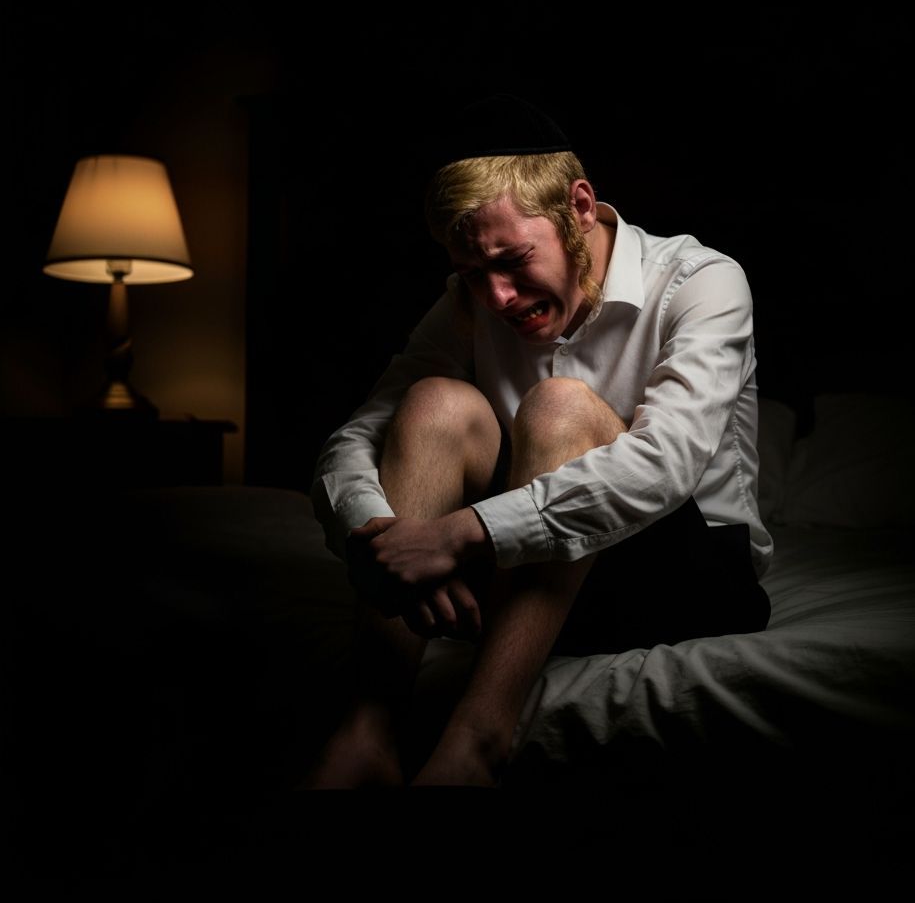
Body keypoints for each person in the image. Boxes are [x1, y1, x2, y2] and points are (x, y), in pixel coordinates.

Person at [306, 93, 772, 788]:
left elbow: (667, 463)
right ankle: (367, 731)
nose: (496, 297)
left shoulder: (701, 281)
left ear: (579, 206)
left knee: (559, 406)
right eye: (473, 272)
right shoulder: (469, 300)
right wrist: (378, 539)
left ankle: (478, 739)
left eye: (515, 259)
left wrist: (460, 534)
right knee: (433, 402)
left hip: (685, 578)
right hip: (519, 585)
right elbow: (357, 435)